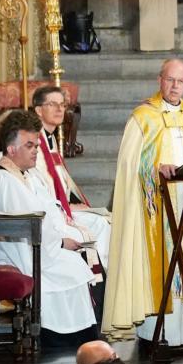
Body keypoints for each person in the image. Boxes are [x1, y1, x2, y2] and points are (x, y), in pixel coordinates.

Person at [103, 58, 183, 345]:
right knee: (161, 263)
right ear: (159, 80)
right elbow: (129, 164)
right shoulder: (143, 116)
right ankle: (157, 333)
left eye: (180, 81)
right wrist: (153, 168)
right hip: (155, 203)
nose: (175, 86)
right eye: (170, 80)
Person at [0, 111, 97, 340]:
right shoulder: (2, 180)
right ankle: (59, 337)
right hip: (2, 251)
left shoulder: (18, 173)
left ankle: (78, 336)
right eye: (29, 145)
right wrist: (61, 242)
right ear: (11, 148)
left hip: (16, 245)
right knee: (69, 265)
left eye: (36, 144)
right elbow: (29, 223)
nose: (36, 150)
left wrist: (60, 238)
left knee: (70, 261)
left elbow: (39, 215)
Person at [30, 86, 111, 269]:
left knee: (103, 219)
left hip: (61, 208)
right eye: (53, 104)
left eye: (62, 104)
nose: (60, 109)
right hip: (51, 213)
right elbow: (40, 186)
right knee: (100, 224)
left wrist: (70, 202)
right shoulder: (35, 142)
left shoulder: (49, 139)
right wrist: (65, 206)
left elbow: (61, 180)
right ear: (38, 110)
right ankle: (100, 284)